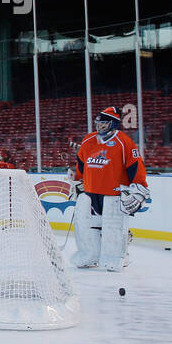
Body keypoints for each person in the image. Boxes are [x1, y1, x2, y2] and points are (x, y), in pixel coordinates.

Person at [71, 106, 149, 271]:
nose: (99, 127)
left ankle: (115, 257)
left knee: (113, 226)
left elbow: (136, 167)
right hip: (91, 192)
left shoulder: (124, 142)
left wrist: (139, 188)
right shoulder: (88, 140)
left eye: (104, 124)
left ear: (113, 124)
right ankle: (89, 254)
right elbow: (81, 164)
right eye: (98, 123)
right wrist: (78, 181)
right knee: (86, 225)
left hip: (113, 194)